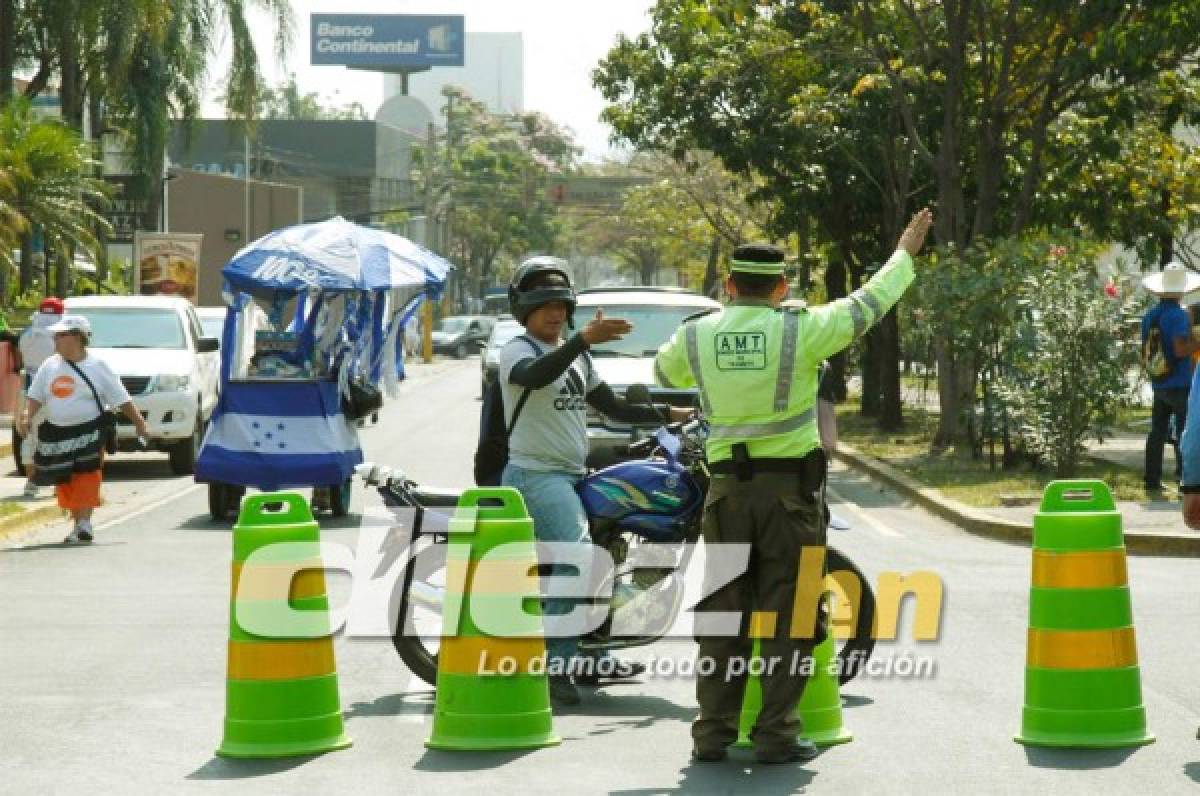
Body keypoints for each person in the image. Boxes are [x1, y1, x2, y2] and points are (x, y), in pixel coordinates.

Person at [654, 209, 933, 765]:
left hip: (726, 496)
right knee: (795, 615)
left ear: (728, 285)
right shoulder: (801, 330)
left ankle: (711, 735)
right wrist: (903, 252)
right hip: (789, 500)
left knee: (723, 614)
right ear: (781, 287)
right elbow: (869, 305)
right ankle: (776, 736)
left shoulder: (695, 336)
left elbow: (665, 376)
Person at [499, 256, 692, 706]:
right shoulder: (519, 350)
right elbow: (534, 376)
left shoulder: (578, 357)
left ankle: (591, 654)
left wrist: (670, 415)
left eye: (562, 305)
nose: (555, 313)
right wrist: (581, 339)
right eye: (544, 305)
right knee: (580, 559)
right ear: (524, 311)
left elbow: (616, 408)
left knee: (611, 550)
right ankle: (555, 667)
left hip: (571, 474)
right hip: (536, 474)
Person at [17, 315, 149, 544]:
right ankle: (77, 523)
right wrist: (28, 415)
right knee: (64, 478)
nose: (55, 340)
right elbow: (35, 395)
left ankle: (84, 523)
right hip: (57, 434)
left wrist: (139, 422)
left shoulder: (98, 366)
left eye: (61, 335)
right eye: (55, 336)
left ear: (78, 337)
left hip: (90, 431)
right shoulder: (50, 365)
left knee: (87, 475)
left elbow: (120, 398)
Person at [1139, 262, 1200, 493]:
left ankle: (1151, 479)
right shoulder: (1177, 315)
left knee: (1157, 431)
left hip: (1159, 379)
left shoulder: (1151, 315)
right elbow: (1179, 350)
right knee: (1186, 430)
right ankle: (1186, 479)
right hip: (1181, 381)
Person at [16, 297, 65, 497]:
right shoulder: (60, 337)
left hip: (29, 393)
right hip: (56, 394)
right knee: (60, 437)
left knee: (30, 437)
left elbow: (20, 361)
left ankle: (31, 482)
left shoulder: (27, 335)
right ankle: (58, 484)